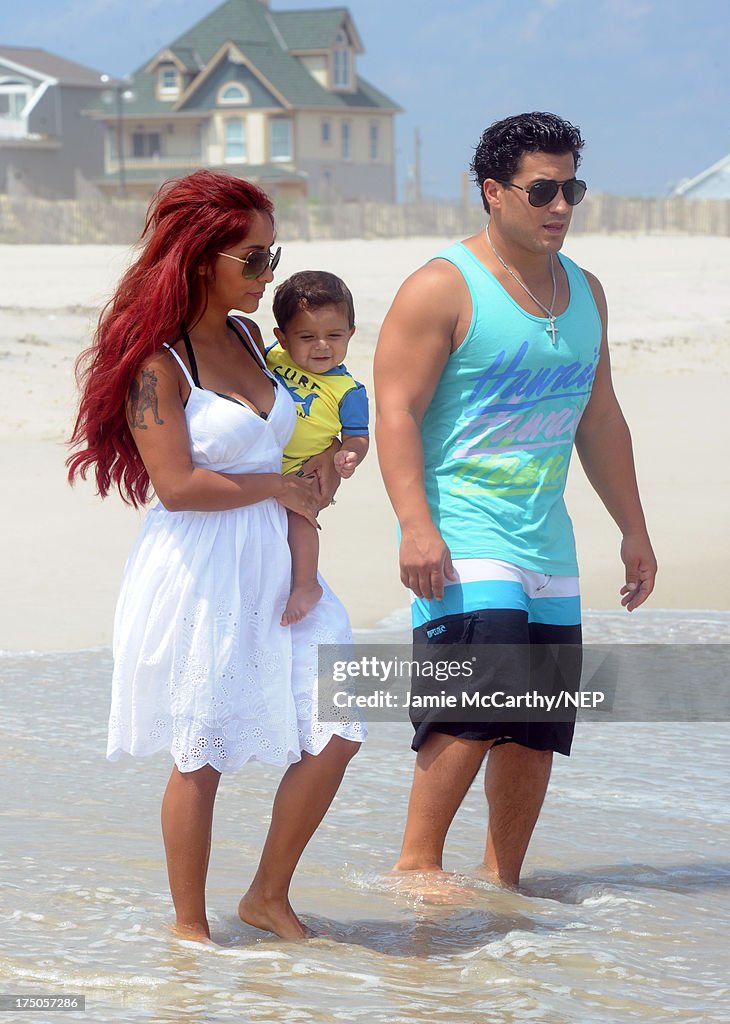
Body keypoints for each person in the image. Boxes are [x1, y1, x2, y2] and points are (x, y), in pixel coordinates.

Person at [67, 170, 363, 943]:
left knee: (339, 722)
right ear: (202, 259)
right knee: (204, 752)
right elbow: (177, 485)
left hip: (277, 556)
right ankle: (190, 930)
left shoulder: (247, 338)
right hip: (203, 569)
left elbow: (292, 428)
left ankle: (267, 896)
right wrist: (280, 486)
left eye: (274, 255)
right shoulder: (157, 365)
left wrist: (326, 465)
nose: (270, 275)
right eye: (254, 259)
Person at [373, 112, 656, 888]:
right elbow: (393, 409)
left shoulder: (586, 291)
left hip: (547, 542)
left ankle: (502, 889)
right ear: (494, 192)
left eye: (573, 189)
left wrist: (634, 528)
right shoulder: (441, 286)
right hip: (464, 533)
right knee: (471, 706)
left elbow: (597, 417)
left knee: (535, 729)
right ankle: (417, 871)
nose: (560, 205)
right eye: (543, 190)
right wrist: (414, 525)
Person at [266, 271, 369, 626]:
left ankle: (307, 584)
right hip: (260, 466)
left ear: (351, 334)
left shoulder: (348, 390)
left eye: (335, 336)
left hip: (301, 471)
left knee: (301, 520)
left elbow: (357, 435)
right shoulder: (273, 357)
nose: (322, 346)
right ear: (282, 336)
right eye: (307, 337)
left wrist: (349, 454)